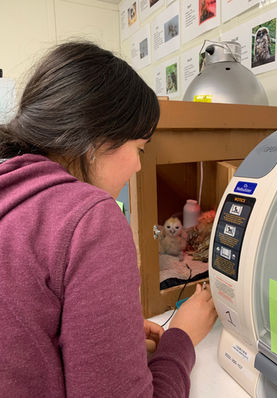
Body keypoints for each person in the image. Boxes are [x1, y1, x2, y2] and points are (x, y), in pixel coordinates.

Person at [0, 41, 217, 397]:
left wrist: (108, 340)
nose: (138, 166)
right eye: (139, 148)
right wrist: (181, 338)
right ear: (97, 136)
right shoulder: (89, 218)